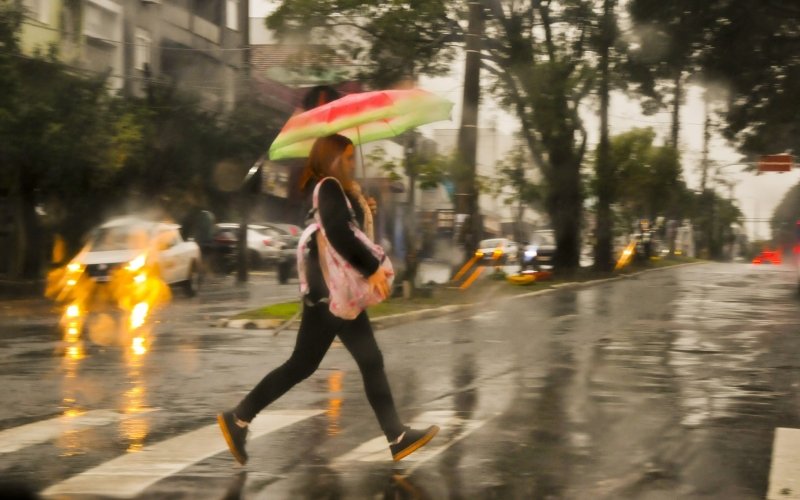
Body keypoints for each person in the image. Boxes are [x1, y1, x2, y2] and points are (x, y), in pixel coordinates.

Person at [217, 134, 439, 465]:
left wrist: (363, 208)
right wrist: (373, 267)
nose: (353, 163)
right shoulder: (330, 187)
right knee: (366, 360)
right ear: (334, 160)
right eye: (348, 158)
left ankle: (238, 419)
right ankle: (396, 436)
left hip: (327, 294)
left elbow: (341, 230)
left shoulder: (330, 189)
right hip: (332, 295)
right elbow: (338, 234)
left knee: (305, 365)